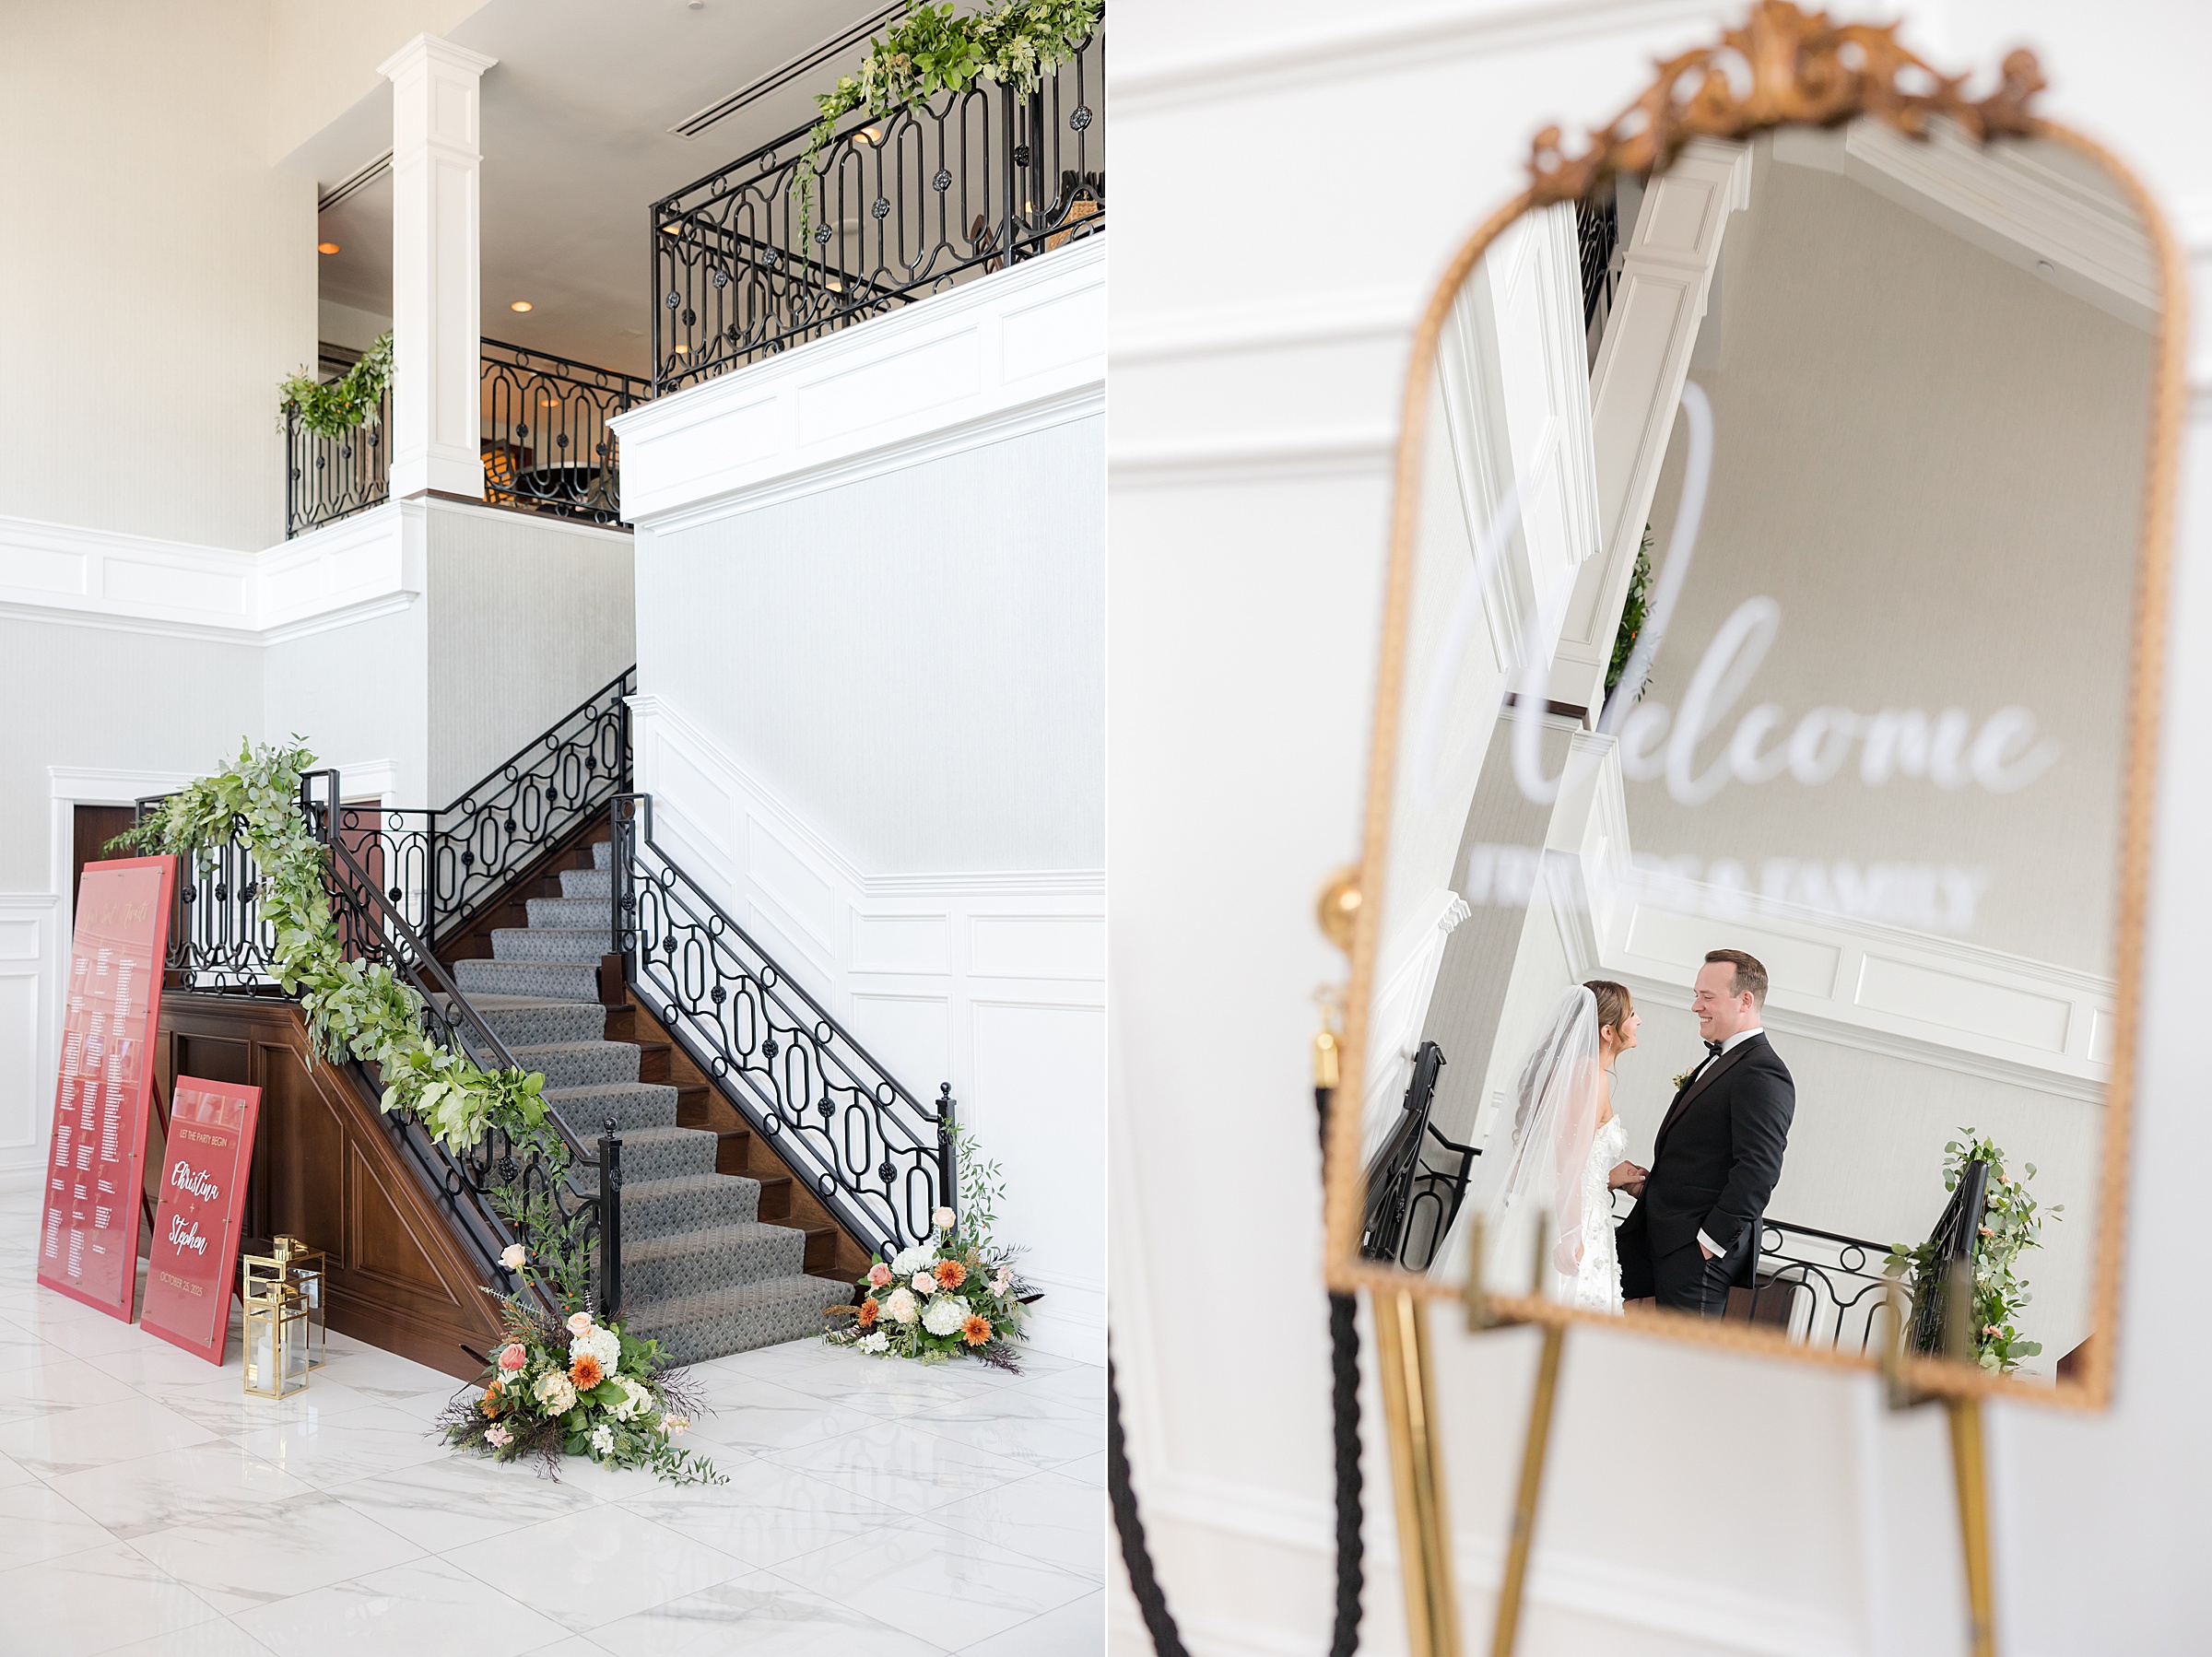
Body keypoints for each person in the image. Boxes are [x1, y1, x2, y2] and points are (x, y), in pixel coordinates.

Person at [1436, 979, 1648, 1311]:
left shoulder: (1579, 1074)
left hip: (1567, 1210)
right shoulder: (1590, 1075)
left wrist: (1606, 1178)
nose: (1638, 1021)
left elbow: (1561, 1162)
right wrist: (1572, 1233)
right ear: (1608, 1032)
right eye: (1632, 1014)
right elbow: (1566, 1165)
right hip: (1570, 1221)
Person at [1615, 948, 1795, 1316]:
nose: (1696, 1006)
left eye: (1707, 997)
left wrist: (1710, 1242)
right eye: (1697, 995)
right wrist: (1652, 1191)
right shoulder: (1727, 1059)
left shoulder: (1762, 1071)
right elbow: (1704, 1160)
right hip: (1668, 1239)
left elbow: (1758, 1170)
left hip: (1696, 1253)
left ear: (1745, 1000)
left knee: (1679, 1366)